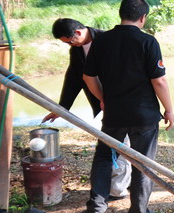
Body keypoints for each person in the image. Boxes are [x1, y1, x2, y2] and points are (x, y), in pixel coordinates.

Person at [81, 0, 174, 213]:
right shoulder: (148, 42)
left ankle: (96, 206)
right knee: (143, 163)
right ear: (143, 17)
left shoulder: (101, 41)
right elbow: (159, 81)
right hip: (144, 115)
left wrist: (103, 98)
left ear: (121, 14)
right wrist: (169, 109)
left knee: (104, 157)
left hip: (114, 113)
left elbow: (88, 77)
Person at [44, 18, 131, 201]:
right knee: (114, 143)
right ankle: (119, 184)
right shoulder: (76, 50)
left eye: (70, 41)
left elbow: (124, 71)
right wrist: (62, 108)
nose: (70, 45)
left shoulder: (108, 40)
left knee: (122, 143)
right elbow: (74, 78)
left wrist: (112, 99)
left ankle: (119, 188)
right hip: (104, 102)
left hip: (121, 99)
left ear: (78, 32)